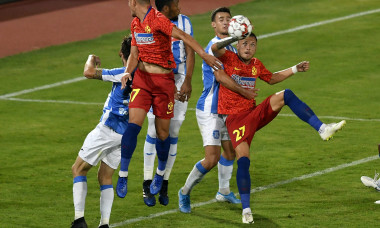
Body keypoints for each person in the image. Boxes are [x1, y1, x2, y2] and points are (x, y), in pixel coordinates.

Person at [205, 31, 346, 223]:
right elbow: (214, 48)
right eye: (244, 43)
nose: (248, 47)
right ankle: (246, 210)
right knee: (244, 160)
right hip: (235, 120)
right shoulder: (228, 57)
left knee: (285, 94)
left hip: (253, 115)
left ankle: (322, 129)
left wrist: (295, 69)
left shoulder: (256, 65)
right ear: (237, 45)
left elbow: (271, 78)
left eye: (252, 44)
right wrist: (234, 37)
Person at [116, 0, 222, 199]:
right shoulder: (135, 23)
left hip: (164, 82)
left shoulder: (157, 20)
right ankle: (123, 175)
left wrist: (204, 55)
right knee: (134, 125)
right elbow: (134, 53)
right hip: (143, 81)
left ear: (133, 2)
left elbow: (182, 36)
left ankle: (160, 173)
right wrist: (127, 72)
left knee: (163, 133)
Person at [177, 7, 245, 214]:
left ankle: (223, 191)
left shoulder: (232, 49)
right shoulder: (212, 46)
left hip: (226, 109)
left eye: (228, 19)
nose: (225, 22)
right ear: (214, 25)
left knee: (230, 151)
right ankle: (184, 192)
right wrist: (237, 37)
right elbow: (216, 49)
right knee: (211, 158)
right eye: (221, 20)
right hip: (210, 109)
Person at [71, 37, 133, 228]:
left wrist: (91, 57)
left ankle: (79, 220)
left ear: (121, 54)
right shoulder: (146, 77)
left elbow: (88, 72)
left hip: (107, 130)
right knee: (105, 177)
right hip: (126, 135)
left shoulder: (123, 73)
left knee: (78, 169)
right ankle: (104, 224)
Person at [141, 0, 195, 207]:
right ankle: (147, 183)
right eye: (175, 4)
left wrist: (187, 80)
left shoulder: (185, 22)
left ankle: (163, 181)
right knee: (154, 131)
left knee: (173, 132)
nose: (179, 7)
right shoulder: (149, 22)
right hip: (157, 78)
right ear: (165, 7)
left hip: (180, 78)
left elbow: (190, 51)